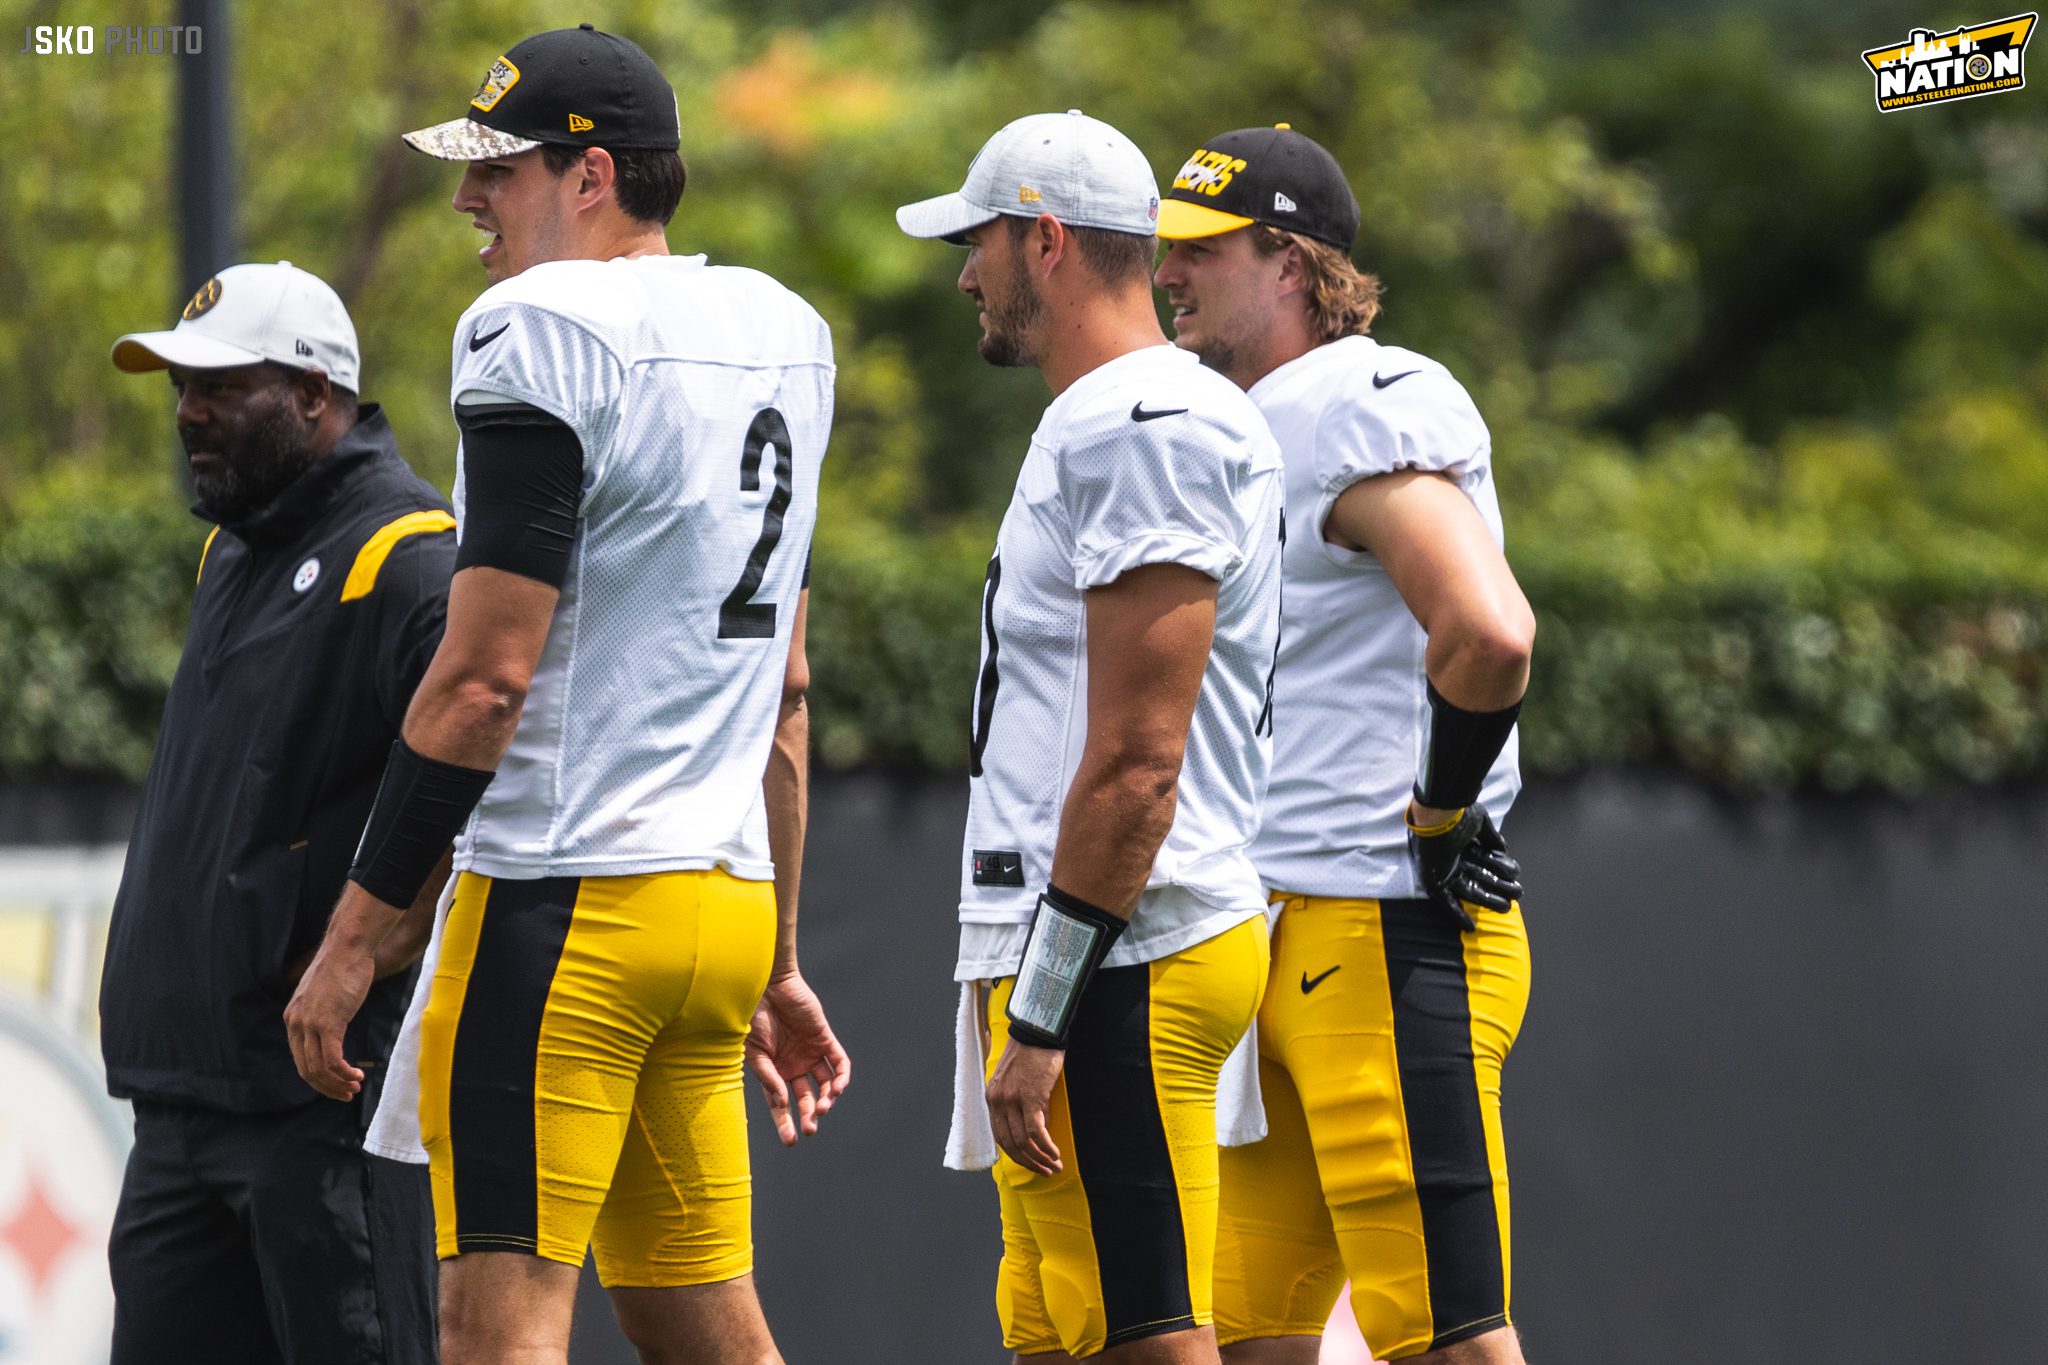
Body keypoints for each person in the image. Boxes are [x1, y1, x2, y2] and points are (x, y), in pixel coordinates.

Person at [281, 25, 847, 1365]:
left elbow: (483, 680)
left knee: (498, 1330)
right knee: (704, 1325)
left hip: (568, 900)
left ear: (589, 176)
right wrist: (776, 954)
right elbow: (791, 688)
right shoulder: (780, 329)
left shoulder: (538, 327)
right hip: (716, 903)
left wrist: (358, 935)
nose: (469, 199)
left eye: (500, 170)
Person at [898, 111, 1285, 1364]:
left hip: (1123, 951)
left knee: (1145, 1338)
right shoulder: (1117, 416)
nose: (964, 272)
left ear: (1045, 241)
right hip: (1090, 945)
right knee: (1059, 1332)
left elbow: (1137, 762)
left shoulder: (1140, 423)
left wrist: (1046, 1015)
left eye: (978, 241)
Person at [1152, 125, 1536, 1365]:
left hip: (1382, 924)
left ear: (1288, 262)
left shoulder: (1356, 402)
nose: (1167, 273)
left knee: (1447, 1338)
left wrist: (1437, 812)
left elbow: (1487, 633)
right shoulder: (1240, 417)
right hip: (1275, 927)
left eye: (1200, 251)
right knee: (1243, 1338)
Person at [99, 260, 453, 1364]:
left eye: (220, 386)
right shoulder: (230, 549)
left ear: (313, 393)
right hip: (180, 1105)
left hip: (317, 1107)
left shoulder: (407, 555)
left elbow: (476, 784)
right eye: (178, 388)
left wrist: (361, 956)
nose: (189, 413)